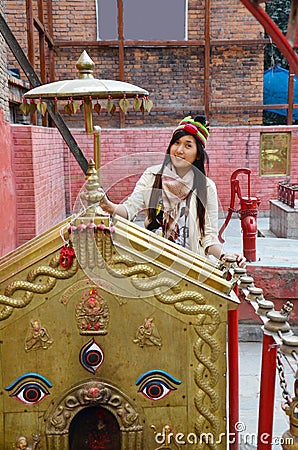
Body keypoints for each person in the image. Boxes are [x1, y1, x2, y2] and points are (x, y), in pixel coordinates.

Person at [98, 115, 246, 268]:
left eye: (188, 146)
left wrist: (224, 256)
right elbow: (130, 209)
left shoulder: (206, 188)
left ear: (197, 154)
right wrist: (109, 206)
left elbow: (209, 237)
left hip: (192, 268)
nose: (179, 150)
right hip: (155, 264)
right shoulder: (152, 176)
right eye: (176, 143)